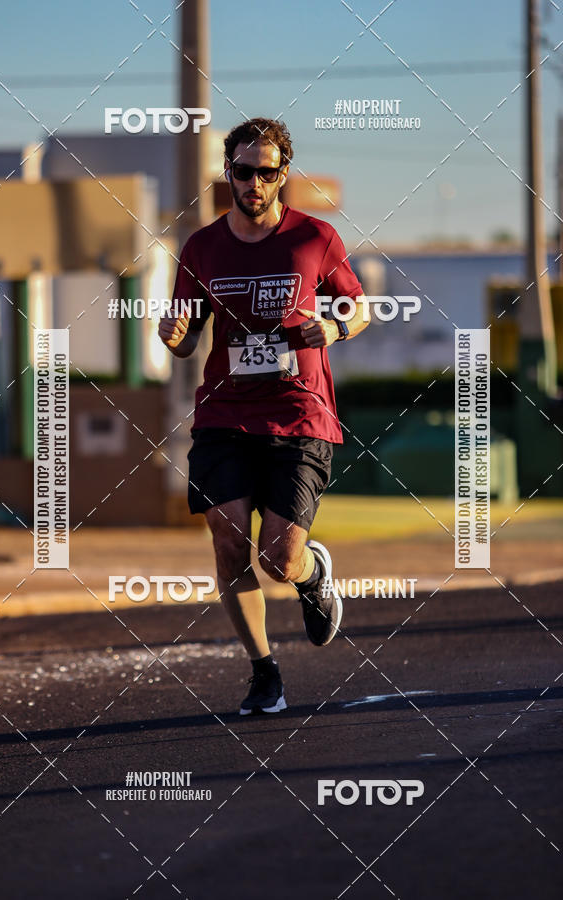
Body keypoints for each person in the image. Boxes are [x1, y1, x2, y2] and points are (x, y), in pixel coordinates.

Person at [159, 117, 368, 715]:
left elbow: (360, 310)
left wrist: (330, 325)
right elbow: (185, 333)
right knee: (228, 541)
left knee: (278, 558)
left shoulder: (314, 238)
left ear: (282, 176)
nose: (254, 182)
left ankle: (310, 575)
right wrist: (172, 334)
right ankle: (263, 672)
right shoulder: (201, 247)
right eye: (243, 171)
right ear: (229, 173)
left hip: (299, 414)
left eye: (266, 172)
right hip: (224, 413)